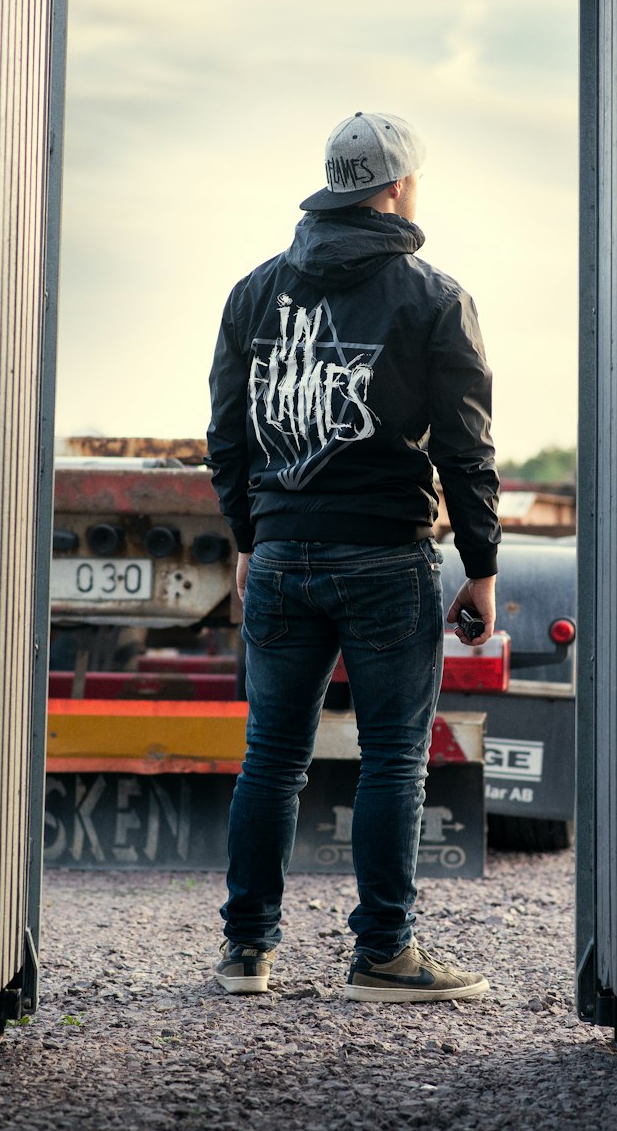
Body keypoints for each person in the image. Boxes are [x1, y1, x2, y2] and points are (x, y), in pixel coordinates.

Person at [206, 110, 500, 1003]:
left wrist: (254, 539)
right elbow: (467, 447)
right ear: (399, 187)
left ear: (334, 185)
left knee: (271, 757)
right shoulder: (433, 297)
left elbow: (227, 438)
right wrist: (481, 567)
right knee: (393, 759)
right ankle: (383, 954)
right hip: (384, 559)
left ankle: (246, 952)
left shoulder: (254, 293)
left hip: (284, 553)